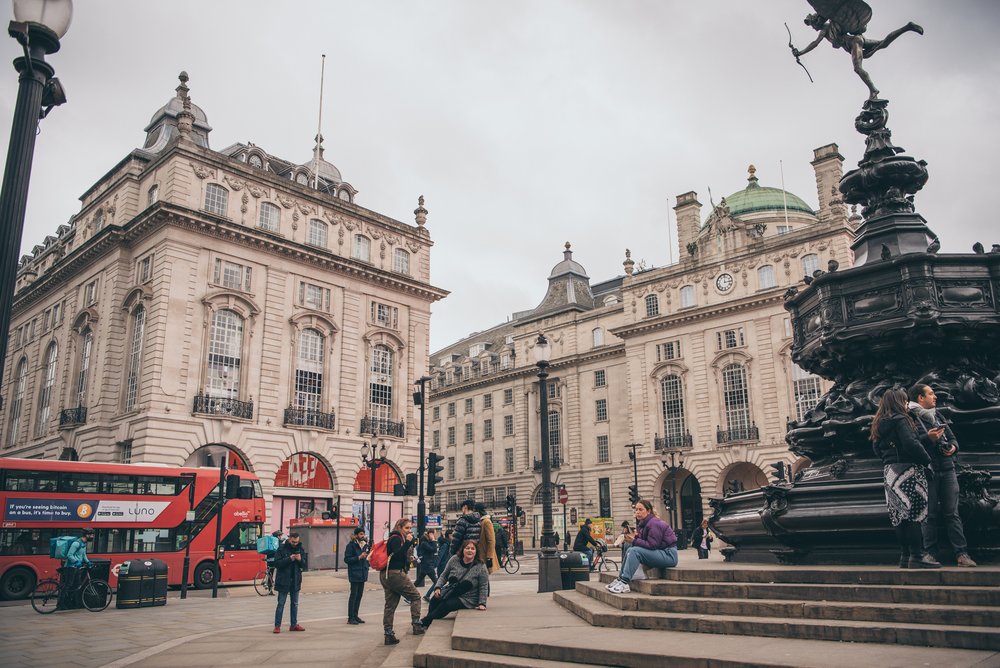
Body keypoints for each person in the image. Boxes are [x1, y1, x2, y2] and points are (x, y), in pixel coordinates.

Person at [908, 384, 977, 567]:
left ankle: (961, 553)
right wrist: (928, 439)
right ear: (920, 398)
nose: (935, 397)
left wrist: (953, 447)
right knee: (928, 514)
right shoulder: (910, 418)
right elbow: (910, 444)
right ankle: (929, 553)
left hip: (947, 469)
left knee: (952, 513)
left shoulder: (937, 415)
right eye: (931, 394)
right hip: (927, 470)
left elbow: (953, 439)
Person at [871, 388, 939, 569]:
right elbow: (911, 443)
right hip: (908, 470)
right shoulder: (902, 419)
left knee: (899, 515)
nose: (907, 403)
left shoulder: (879, 422)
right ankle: (917, 555)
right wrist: (927, 461)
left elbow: (876, 448)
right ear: (899, 401)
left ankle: (905, 555)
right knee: (915, 514)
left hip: (891, 472)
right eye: (904, 400)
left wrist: (888, 460)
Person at [791, 6, 923, 99]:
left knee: (858, 68)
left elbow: (815, 43)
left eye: (813, 25)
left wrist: (801, 52)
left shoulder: (825, 29)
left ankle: (873, 90)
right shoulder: (830, 26)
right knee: (883, 44)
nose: (813, 28)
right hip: (857, 40)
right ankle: (908, 27)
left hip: (854, 42)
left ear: (817, 22)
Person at [606, 500, 678, 594]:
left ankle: (624, 582)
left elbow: (652, 545)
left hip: (669, 555)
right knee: (629, 547)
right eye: (636, 510)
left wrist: (634, 540)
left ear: (648, 511)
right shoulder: (644, 524)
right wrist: (632, 538)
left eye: (640, 509)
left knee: (634, 551)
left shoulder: (654, 523)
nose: (637, 512)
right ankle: (620, 579)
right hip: (661, 552)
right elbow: (645, 542)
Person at [419, 539, 489, 629]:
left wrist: (482, 603)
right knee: (434, 599)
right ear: (463, 549)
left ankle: (424, 622)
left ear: (476, 552)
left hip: (469, 598)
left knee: (446, 605)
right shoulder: (454, 559)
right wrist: (438, 587)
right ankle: (428, 621)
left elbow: (483, 586)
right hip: (452, 591)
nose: (470, 551)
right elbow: (444, 576)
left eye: (472, 549)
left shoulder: (481, 566)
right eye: (467, 548)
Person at [380, 518, 424, 645]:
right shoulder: (396, 538)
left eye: (410, 528)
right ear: (399, 527)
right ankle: (416, 625)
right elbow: (397, 554)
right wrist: (408, 543)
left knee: (390, 605)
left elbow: (396, 556)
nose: (409, 531)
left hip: (387, 574)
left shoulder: (394, 538)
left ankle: (388, 634)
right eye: (407, 528)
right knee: (415, 596)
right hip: (395, 574)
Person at [272, 532, 308, 633]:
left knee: (295, 603)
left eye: (297, 542)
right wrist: (289, 559)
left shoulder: (300, 548)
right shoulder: (282, 549)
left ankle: (293, 624)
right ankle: (277, 626)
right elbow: (277, 563)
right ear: (289, 539)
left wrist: (300, 560)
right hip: (284, 580)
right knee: (281, 603)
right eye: (293, 542)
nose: (295, 544)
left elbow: (304, 565)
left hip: (295, 580)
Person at [344, 527, 370, 624]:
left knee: (359, 595)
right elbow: (347, 559)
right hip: (354, 573)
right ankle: (350, 618)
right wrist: (359, 557)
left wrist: (368, 559)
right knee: (353, 595)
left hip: (363, 573)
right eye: (360, 534)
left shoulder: (365, 545)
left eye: (363, 534)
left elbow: (367, 558)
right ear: (355, 535)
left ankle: (356, 615)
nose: (362, 536)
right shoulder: (351, 546)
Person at [425, 530, 453, 602]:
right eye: (452, 535)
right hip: (443, 566)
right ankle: (429, 595)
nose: (453, 537)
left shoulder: (448, 544)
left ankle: (428, 595)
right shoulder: (445, 545)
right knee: (439, 581)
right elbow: (440, 555)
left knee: (439, 581)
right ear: (449, 536)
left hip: (445, 565)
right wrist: (436, 565)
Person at [474, 502, 499, 575]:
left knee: (484, 580)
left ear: (478, 511)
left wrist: (489, 557)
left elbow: (491, 540)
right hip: (480, 556)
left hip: (484, 556)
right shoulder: (481, 521)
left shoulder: (486, 522)